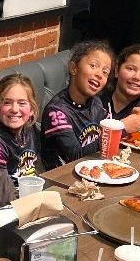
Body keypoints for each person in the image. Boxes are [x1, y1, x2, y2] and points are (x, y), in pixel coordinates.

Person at [40, 40, 113, 168]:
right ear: (74, 68)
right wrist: (119, 131)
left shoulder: (96, 103)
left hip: (93, 169)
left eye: (105, 72)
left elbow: (110, 130)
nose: (99, 74)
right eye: (93, 66)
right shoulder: (56, 111)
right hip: (62, 175)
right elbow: (74, 155)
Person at [0, 73, 42, 208]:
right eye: (7, 102)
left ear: (31, 109)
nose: (14, 109)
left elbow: (41, 173)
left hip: (31, 202)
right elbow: (5, 201)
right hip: (4, 212)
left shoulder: (33, 130)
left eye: (22, 103)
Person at [103, 44, 140, 132]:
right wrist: (123, 126)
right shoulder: (97, 97)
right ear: (116, 70)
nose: (136, 77)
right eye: (130, 69)